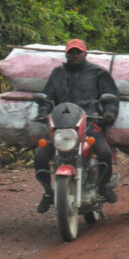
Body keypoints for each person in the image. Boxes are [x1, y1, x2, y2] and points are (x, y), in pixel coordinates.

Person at [34, 38, 120, 214]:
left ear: (85, 53)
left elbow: (111, 95)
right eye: (71, 52)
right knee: (40, 156)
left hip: (89, 123)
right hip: (61, 126)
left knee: (104, 153)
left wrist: (110, 113)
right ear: (66, 54)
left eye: (78, 52)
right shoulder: (57, 73)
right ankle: (48, 192)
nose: (74, 55)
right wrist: (43, 110)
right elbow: (47, 97)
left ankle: (104, 186)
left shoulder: (98, 73)